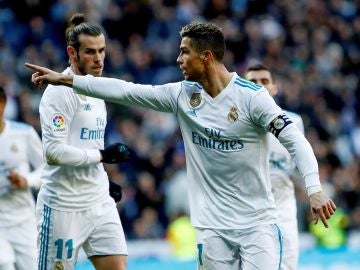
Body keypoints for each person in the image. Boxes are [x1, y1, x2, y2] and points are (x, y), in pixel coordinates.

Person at [26, 22, 337, 270]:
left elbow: (295, 139)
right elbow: (126, 90)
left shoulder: (252, 98)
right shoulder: (182, 95)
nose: (178, 59)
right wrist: (66, 80)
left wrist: (314, 188)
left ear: (206, 57)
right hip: (211, 229)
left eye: (184, 52)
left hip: (257, 225)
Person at [28, 13, 130, 270]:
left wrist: (104, 177)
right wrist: (101, 157)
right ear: (72, 53)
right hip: (63, 206)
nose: (99, 59)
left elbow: (87, 143)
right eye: (91, 52)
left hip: (98, 200)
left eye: (102, 51)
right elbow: (53, 151)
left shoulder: (96, 89)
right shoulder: (58, 94)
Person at [244, 64, 304, 270]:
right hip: (248, 211)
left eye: (264, 81)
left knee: (288, 265)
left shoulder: (294, 121)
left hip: (283, 208)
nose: (259, 86)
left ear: (275, 88)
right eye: (253, 82)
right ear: (243, 87)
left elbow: (298, 164)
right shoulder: (236, 123)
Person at [0, 86, 43, 270]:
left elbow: (47, 169)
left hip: (23, 221)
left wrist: (27, 180)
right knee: (5, 265)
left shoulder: (23, 133)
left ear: (2, 105)